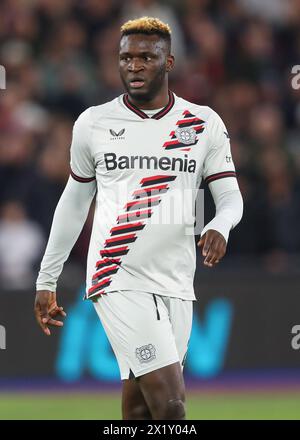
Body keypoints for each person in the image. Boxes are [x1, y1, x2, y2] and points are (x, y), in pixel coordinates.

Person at [34, 17, 243, 420]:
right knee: (172, 406)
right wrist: (47, 278)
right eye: (126, 57)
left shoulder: (201, 124)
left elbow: (230, 198)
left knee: (140, 410)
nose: (134, 66)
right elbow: (74, 203)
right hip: (116, 277)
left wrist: (219, 224)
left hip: (178, 282)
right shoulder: (94, 123)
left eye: (147, 57)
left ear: (169, 62)